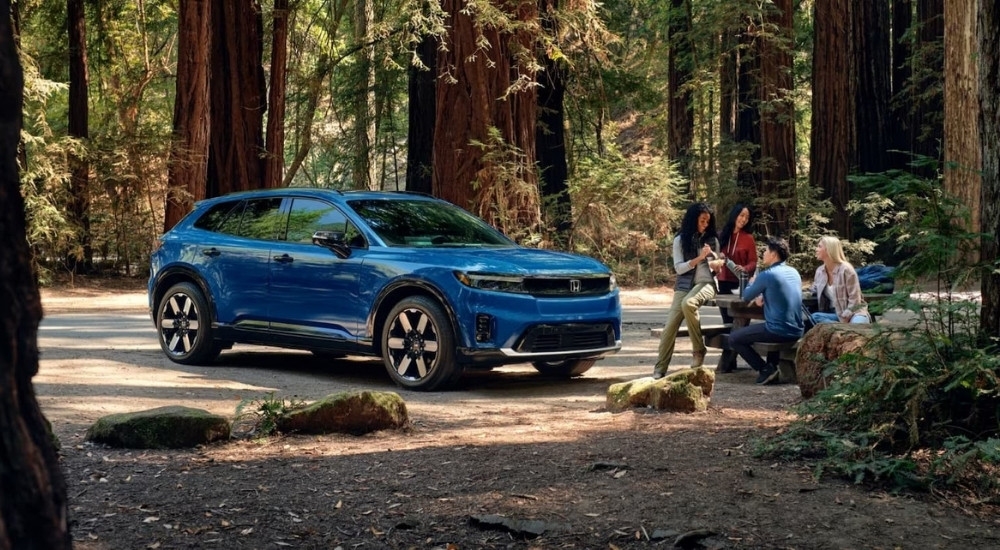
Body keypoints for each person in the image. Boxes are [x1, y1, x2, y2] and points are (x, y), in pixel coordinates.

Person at [652, 202, 723, 379]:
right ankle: (660, 369)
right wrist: (699, 258)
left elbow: (716, 268)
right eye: (702, 221)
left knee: (689, 303)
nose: (705, 225)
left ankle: (699, 350)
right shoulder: (679, 240)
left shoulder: (712, 240)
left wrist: (716, 264)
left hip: (706, 284)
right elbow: (679, 268)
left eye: (708, 221)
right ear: (693, 220)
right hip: (684, 285)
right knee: (669, 327)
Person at [728, 237, 804, 385]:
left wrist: (752, 283)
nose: (763, 253)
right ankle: (772, 366)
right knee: (771, 324)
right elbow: (780, 292)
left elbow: (745, 296)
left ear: (774, 254)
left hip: (778, 331)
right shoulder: (794, 272)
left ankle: (765, 369)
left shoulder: (767, 275)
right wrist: (764, 294)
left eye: (766, 250)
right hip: (797, 330)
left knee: (734, 338)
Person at [807, 236, 871, 324]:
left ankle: (840, 329)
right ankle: (840, 329)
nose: (816, 249)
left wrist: (847, 316)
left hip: (855, 313)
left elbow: (855, 300)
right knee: (814, 317)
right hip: (836, 313)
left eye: (819, 246)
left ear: (829, 249)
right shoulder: (820, 271)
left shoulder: (846, 269)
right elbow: (813, 290)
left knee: (857, 325)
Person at [716, 203, 757, 324]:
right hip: (723, 282)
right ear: (735, 215)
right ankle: (728, 342)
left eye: (747, 217)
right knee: (727, 321)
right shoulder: (721, 234)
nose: (744, 219)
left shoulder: (748, 238)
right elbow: (711, 256)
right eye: (741, 215)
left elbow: (753, 262)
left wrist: (744, 268)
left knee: (741, 321)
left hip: (741, 284)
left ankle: (739, 341)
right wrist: (717, 256)